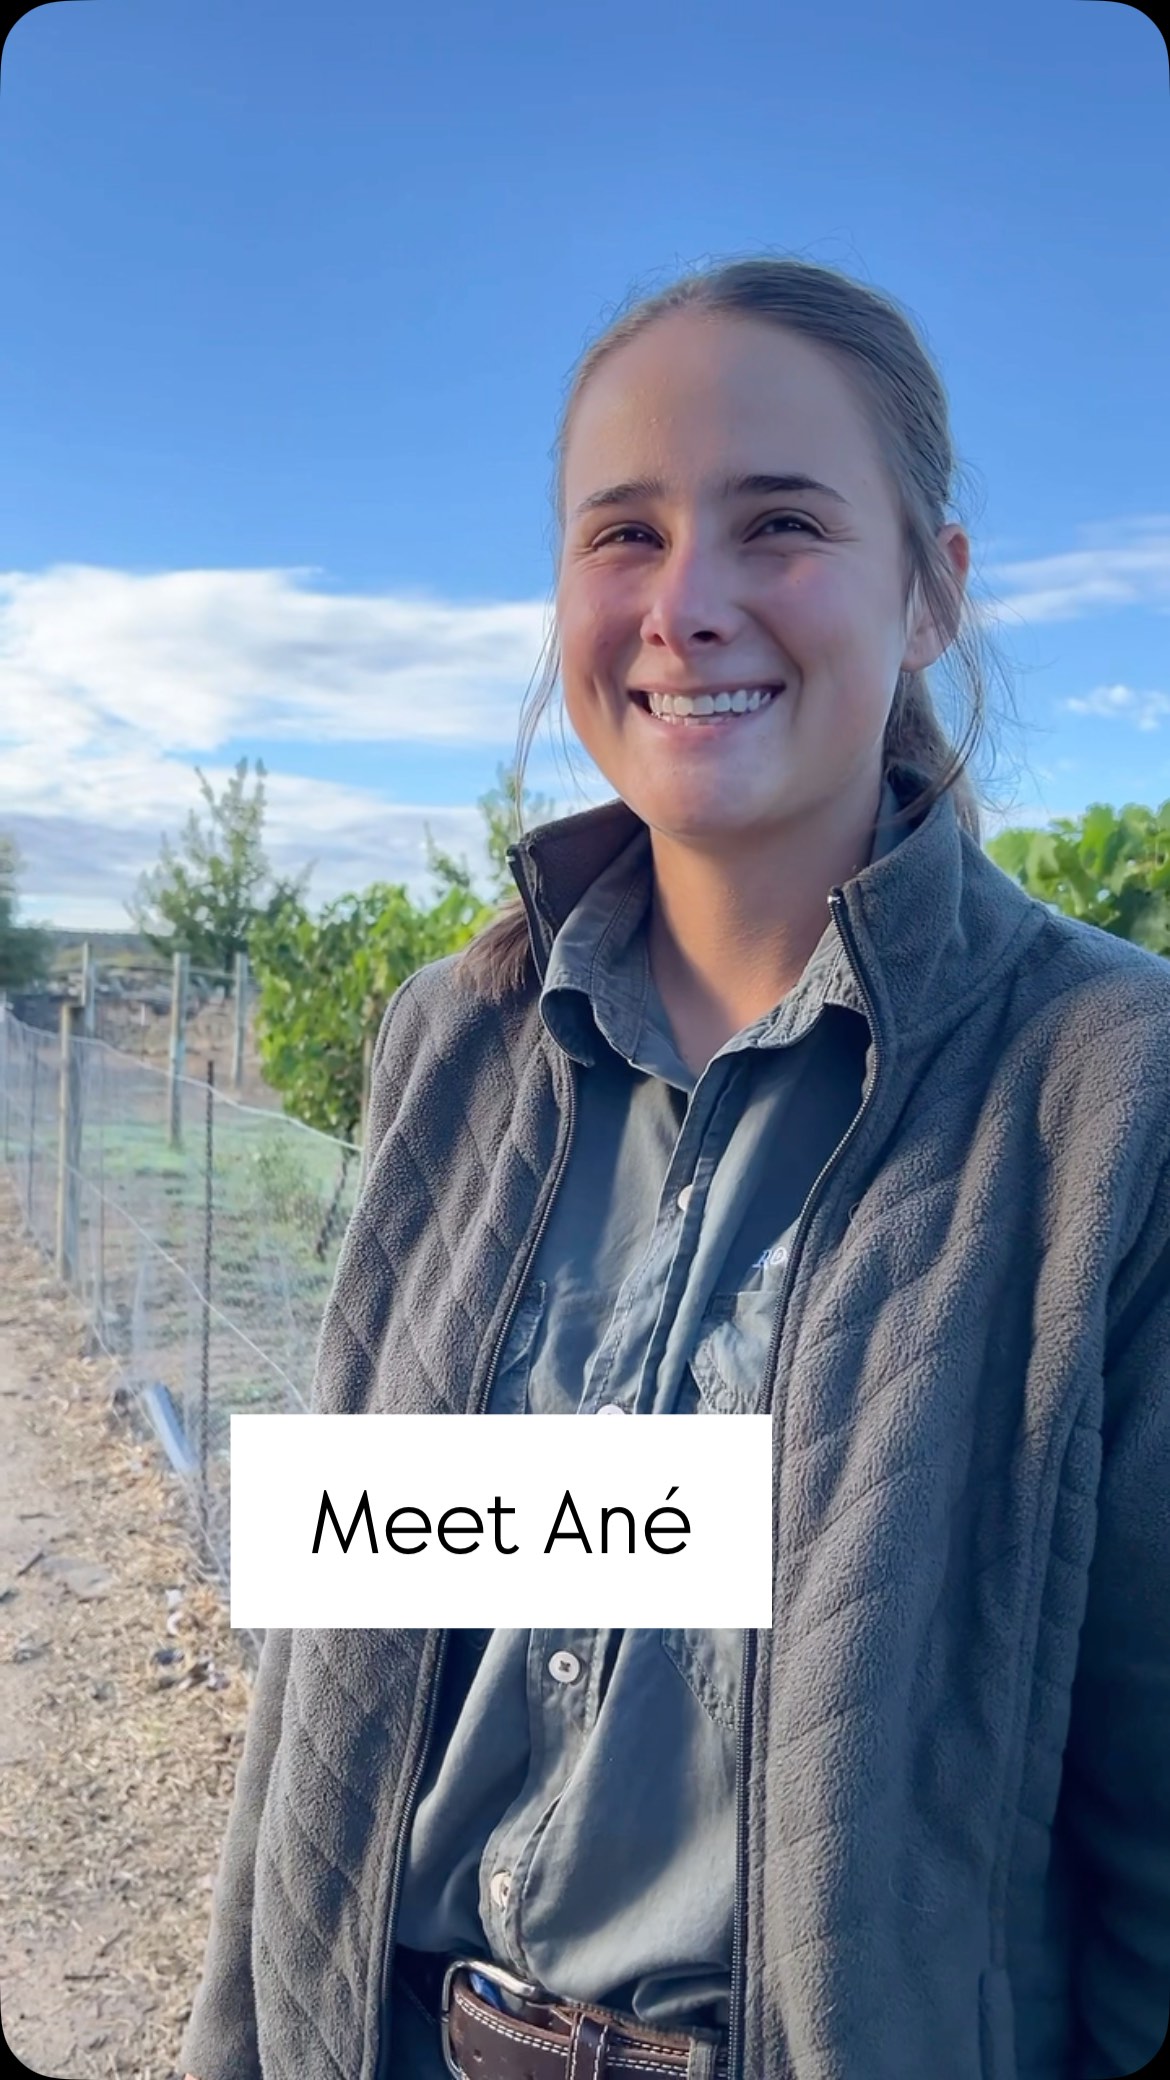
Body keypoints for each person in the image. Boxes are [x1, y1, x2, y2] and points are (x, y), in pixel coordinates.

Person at [180, 257, 1170, 2080]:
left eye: (778, 522)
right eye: (620, 533)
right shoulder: (446, 1044)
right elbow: (339, 1665)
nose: (685, 605)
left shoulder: (1109, 1093)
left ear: (932, 589)